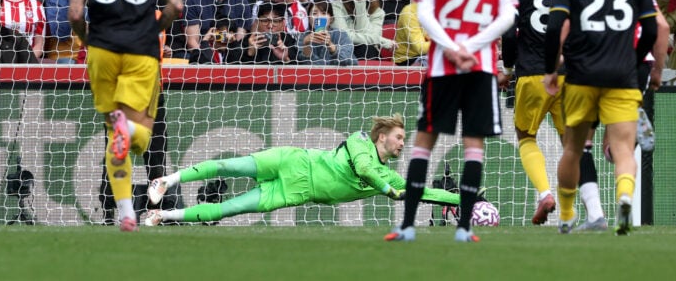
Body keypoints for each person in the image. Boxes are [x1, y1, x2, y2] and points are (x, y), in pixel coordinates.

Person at [385, 0, 517, 243]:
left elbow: (424, 13)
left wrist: (451, 47)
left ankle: (407, 226)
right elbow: (508, 17)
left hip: (442, 66)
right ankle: (464, 229)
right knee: (473, 145)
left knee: (423, 143)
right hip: (480, 66)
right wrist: (472, 47)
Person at [68, 0, 184, 232]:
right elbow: (176, 6)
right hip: (140, 51)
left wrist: (88, 38)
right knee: (142, 136)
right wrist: (154, 29)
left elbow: (74, 14)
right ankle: (130, 136)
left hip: (102, 52)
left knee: (113, 133)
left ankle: (126, 212)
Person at [543, 0, 659, 235]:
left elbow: (554, 28)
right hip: (622, 77)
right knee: (623, 149)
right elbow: (652, 29)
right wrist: (635, 60)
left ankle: (567, 215)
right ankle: (624, 197)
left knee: (574, 149)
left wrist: (551, 70)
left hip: (580, 76)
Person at [144, 113, 460, 224]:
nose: (403, 143)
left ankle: (162, 216)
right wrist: (387, 190)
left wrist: (463, 200)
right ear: (382, 136)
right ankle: (166, 180)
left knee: (230, 209)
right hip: (294, 160)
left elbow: (421, 192)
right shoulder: (360, 140)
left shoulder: (389, 176)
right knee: (230, 165)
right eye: (399, 137)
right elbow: (364, 170)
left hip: (294, 192)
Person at [500, 0, 606, 227]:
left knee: (526, 137)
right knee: (575, 146)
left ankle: (545, 193)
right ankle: (592, 211)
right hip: (570, 76)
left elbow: (509, 34)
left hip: (532, 73)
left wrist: (508, 69)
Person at [330, 0, 394, 60]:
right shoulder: (336, 6)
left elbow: (370, 40)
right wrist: (382, 40)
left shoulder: (378, 13)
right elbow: (344, 37)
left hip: (369, 52)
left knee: (366, 48)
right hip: (343, 51)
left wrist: (360, 6)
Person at [227, 2, 299, 65]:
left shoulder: (288, 41)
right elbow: (233, 70)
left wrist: (285, 59)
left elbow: (299, 72)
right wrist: (250, 53)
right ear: (257, 22)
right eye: (265, 21)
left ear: (283, 23)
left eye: (275, 21)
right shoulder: (247, 41)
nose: (270, 26)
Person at [297, 0, 356, 66]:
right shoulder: (303, 37)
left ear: (331, 19)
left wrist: (330, 45)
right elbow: (305, 65)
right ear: (309, 18)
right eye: (314, 13)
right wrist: (306, 45)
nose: (319, 17)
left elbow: (347, 61)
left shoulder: (341, 35)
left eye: (324, 13)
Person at [392, 1, 429, 66]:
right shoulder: (409, 12)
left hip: (428, 54)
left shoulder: (438, 11)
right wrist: (445, 45)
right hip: (406, 60)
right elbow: (420, 48)